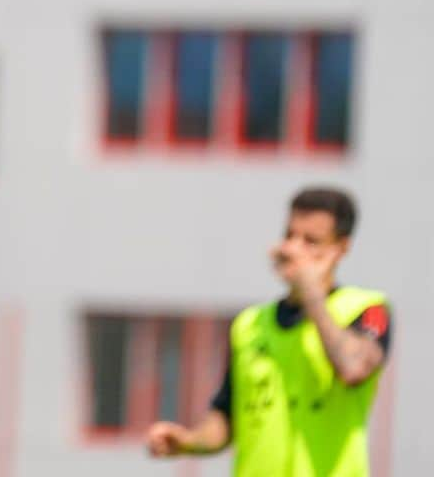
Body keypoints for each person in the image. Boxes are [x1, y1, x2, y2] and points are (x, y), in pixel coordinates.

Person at [146, 187, 390, 476]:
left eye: (310, 241)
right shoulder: (249, 324)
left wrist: (312, 295)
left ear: (341, 248)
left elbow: (353, 368)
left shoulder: (367, 310)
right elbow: (228, 416)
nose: (292, 249)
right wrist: (189, 442)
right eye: (289, 236)